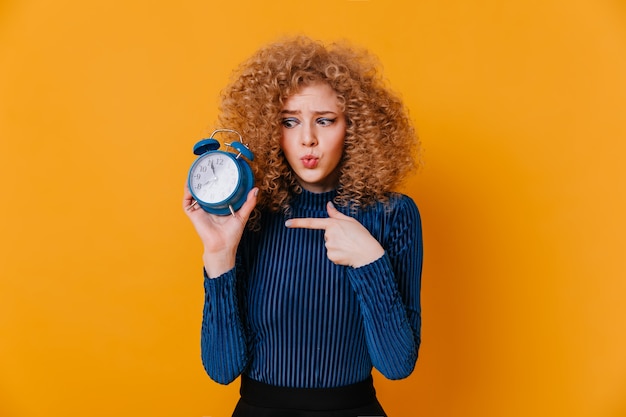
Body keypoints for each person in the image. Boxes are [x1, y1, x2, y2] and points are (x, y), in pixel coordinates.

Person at [183, 36, 423, 417]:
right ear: (270, 128)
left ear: (354, 127)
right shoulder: (248, 215)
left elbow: (397, 365)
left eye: (324, 121)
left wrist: (369, 260)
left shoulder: (392, 215)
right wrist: (219, 255)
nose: (307, 138)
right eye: (289, 121)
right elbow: (222, 369)